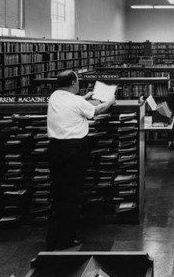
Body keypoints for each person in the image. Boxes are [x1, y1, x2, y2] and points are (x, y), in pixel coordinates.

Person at [46, 70, 116, 251]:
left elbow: (72, 103)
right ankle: (66, 239)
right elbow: (97, 110)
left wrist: (85, 96)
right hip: (73, 151)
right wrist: (110, 102)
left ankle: (54, 237)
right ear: (72, 83)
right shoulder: (76, 101)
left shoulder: (54, 97)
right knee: (72, 195)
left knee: (59, 194)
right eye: (77, 81)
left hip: (55, 150)